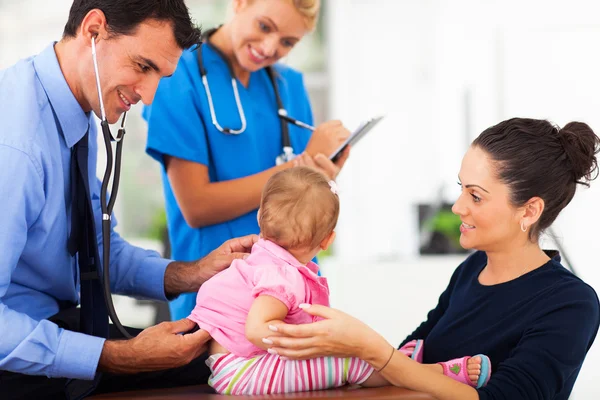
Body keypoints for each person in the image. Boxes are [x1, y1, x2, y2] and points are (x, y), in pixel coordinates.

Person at [0, 1, 257, 399]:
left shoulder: (74, 110)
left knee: (225, 359)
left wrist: (194, 272)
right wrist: (118, 355)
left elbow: (96, 250)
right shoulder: (16, 145)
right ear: (94, 29)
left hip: (63, 326)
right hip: (17, 357)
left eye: (160, 75)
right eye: (143, 66)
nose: (150, 96)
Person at [262, 118, 600, 400]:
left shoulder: (571, 304)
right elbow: (413, 357)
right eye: (461, 188)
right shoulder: (471, 270)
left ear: (529, 210)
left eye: (475, 196)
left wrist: (371, 350)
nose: (457, 207)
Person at [188, 166, 491, 395]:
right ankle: (435, 373)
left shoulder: (264, 260)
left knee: (347, 352)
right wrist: (315, 343)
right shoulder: (281, 276)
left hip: (233, 366)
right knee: (349, 361)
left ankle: (398, 363)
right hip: (243, 372)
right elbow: (256, 330)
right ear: (328, 240)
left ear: (259, 218)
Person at [143, 0, 351, 321]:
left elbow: (299, 197)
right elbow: (196, 206)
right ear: (240, 4)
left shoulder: (289, 86)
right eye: (264, 26)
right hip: (219, 302)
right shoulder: (177, 75)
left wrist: (322, 176)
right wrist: (298, 168)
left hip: (293, 296)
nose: (270, 47)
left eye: (287, 42)